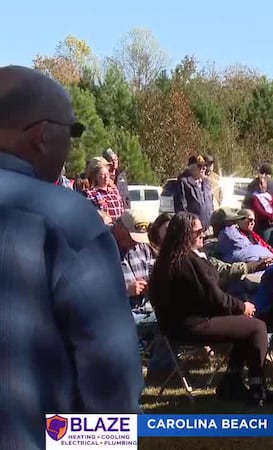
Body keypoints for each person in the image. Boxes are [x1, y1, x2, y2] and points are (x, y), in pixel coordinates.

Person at [0, 65, 142, 450]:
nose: (74, 145)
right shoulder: (65, 217)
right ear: (41, 136)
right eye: (73, 131)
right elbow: (111, 376)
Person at [148, 212, 273, 404]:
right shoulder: (185, 262)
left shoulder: (173, 258)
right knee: (257, 327)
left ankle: (232, 383)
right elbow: (213, 298)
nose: (203, 235)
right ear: (184, 234)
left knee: (245, 326)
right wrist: (241, 306)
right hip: (189, 325)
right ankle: (258, 390)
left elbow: (208, 296)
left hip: (180, 324)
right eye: (198, 231)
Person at [82, 156, 126, 221]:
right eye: (102, 174)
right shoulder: (89, 194)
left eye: (107, 174)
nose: (106, 177)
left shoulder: (115, 191)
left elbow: (122, 211)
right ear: (95, 176)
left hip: (118, 229)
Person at [175, 160, 213, 230]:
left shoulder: (206, 183)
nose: (204, 168)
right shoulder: (184, 182)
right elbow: (181, 209)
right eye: (200, 166)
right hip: (193, 230)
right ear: (191, 168)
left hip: (207, 229)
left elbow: (210, 205)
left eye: (205, 166)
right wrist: (188, 227)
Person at [251, 175, 273, 248]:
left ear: (266, 184)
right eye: (258, 184)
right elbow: (259, 210)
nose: (260, 186)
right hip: (264, 227)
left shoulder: (272, 196)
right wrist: (272, 217)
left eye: (261, 183)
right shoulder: (254, 197)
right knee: (266, 245)